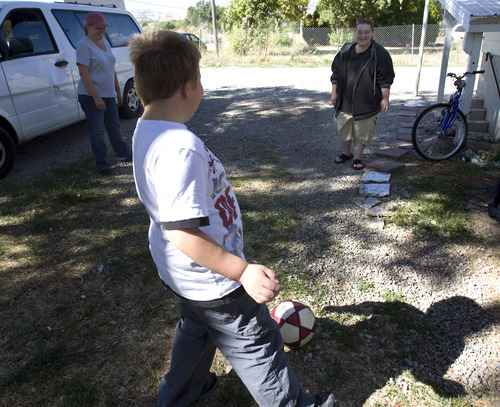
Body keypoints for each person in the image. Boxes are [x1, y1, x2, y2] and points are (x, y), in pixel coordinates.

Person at [129, 30, 338, 407]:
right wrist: (241, 271)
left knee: (196, 330)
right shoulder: (180, 148)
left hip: (183, 276)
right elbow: (181, 231)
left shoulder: (147, 128)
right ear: (188, 87)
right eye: (201, 80)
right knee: (258, 344)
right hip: (215, 281)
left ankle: (179, 394)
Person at [330, 19, 395, 170]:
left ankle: (357, 157)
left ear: (372, 33)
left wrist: (385, 98)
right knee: (343, 128)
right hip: (344, 100)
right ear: (355, 33)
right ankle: (346, 153)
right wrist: (334, 93)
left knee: (362, 132)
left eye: (367, 32)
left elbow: (385, 78)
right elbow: (336, 73)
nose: (363, 35)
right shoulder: (345, 50)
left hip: (367, 101)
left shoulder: (380, 54)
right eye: (360, 32)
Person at [76, 12, 132, 176]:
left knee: (114, 126)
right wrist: (96, 97)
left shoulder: (105, 42)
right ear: (89, 26)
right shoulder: (83, 45)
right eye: (99, 28)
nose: (102, 31)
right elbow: (84, 74)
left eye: (104, 28)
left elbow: (111, 68)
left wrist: (117, 90)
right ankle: (102, 164)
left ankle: (124, 155)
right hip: (90, 95)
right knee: (97, 130)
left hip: (108, 94)